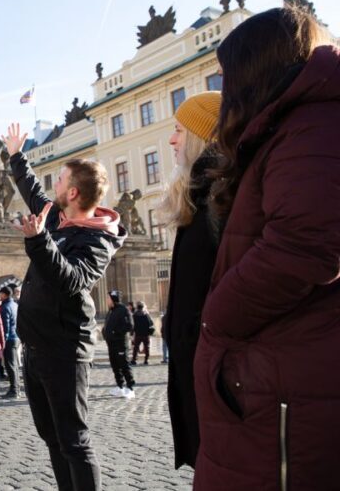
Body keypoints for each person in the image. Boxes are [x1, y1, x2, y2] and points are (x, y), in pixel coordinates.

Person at [193, 6, 340, 490]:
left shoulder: (313, 124)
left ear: (253, 70)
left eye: (226, 77)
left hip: (287, 378)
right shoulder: (298, 125)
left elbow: (302, 247)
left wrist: (218, 316)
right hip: (279, 371)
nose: (223, 92)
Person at [2, 123, 126, 491]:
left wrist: (39, 241)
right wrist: (15, 155)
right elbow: (32, 190)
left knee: (74, 442)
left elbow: (71, 281)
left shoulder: (97, 240)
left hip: (65, 352)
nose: (53, 185)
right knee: (52, 439)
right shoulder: (57, 216)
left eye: (59, 180)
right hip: (36, 348)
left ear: (72, 192)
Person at [157, 90, 222, 469]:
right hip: (199, 368)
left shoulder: (219, 196)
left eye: (180, 130)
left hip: (215, 372)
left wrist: (199, 331)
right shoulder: (198, 194)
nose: (171, 139)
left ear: (202, 135)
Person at [103, 290, 136, 398]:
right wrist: (105, 332)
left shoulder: (123, 310)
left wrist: (115, 332)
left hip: (120, 343)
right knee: (115, 366)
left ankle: (130, 388)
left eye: (108, 298)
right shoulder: (111, 311)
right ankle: (120, 386)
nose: (107, 300)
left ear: (114, 299)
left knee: (124, 365)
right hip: (111, 344)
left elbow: (129, 325)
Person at [0, 286, 21, 398]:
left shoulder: (5, 307)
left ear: (4, 294)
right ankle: (16, 388)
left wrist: (3, 341)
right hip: (16, 337)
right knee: (14, 364)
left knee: (10, 365)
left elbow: (5, 327)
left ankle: (14, 390)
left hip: (10, 339)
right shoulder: (15, 305)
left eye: (0, 294)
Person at [130, 301, 153, 366]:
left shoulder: (134, 315)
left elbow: (132, 325)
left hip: (138, 334)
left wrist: (132, 333)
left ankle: (134, 360)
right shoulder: (146, 315)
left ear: (137, 307)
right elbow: (151, 323)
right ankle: (146, 360)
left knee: (136, 347)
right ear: (143, 307)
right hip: (146, 334)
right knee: (147, 347)